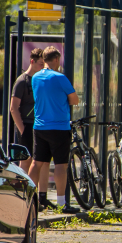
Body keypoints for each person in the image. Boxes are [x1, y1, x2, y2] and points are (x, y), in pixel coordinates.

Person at [28, 46, 80, 214]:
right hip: (59, 127)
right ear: (56, 59)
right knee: (60, 165)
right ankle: (61, 203)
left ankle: (28, 200)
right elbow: (74, 100)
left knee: (37, 163)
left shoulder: (35, 77)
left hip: (40, 126)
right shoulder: (60, 77)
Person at [10, 48, 44, 173]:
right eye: (40, 64)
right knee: (25, 160)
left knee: (39, 161)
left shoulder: (41, 80)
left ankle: (37, 190)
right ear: (32, 62)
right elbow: (13, 108)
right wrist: (23, 130)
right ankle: (22, 189)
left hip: (39, 125)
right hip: (26, 124)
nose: (42, 67)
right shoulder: (22, 81)